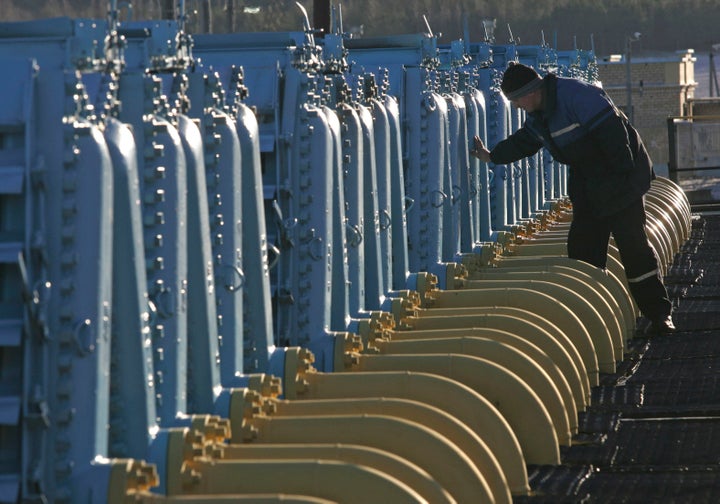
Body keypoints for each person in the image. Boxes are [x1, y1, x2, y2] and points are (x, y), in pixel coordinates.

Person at [470, 62, 675, 335]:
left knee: (634, 247)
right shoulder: (539, 115)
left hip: (620, 175)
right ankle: (591, 320)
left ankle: (659, 315)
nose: (516, 106)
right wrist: (491, 156)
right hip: (587, 175)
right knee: (583, 249)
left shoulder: (578, 96)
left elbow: (616, 139)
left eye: (516, 100)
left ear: (530, 92)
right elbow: (525, 142)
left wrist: (618, 188)